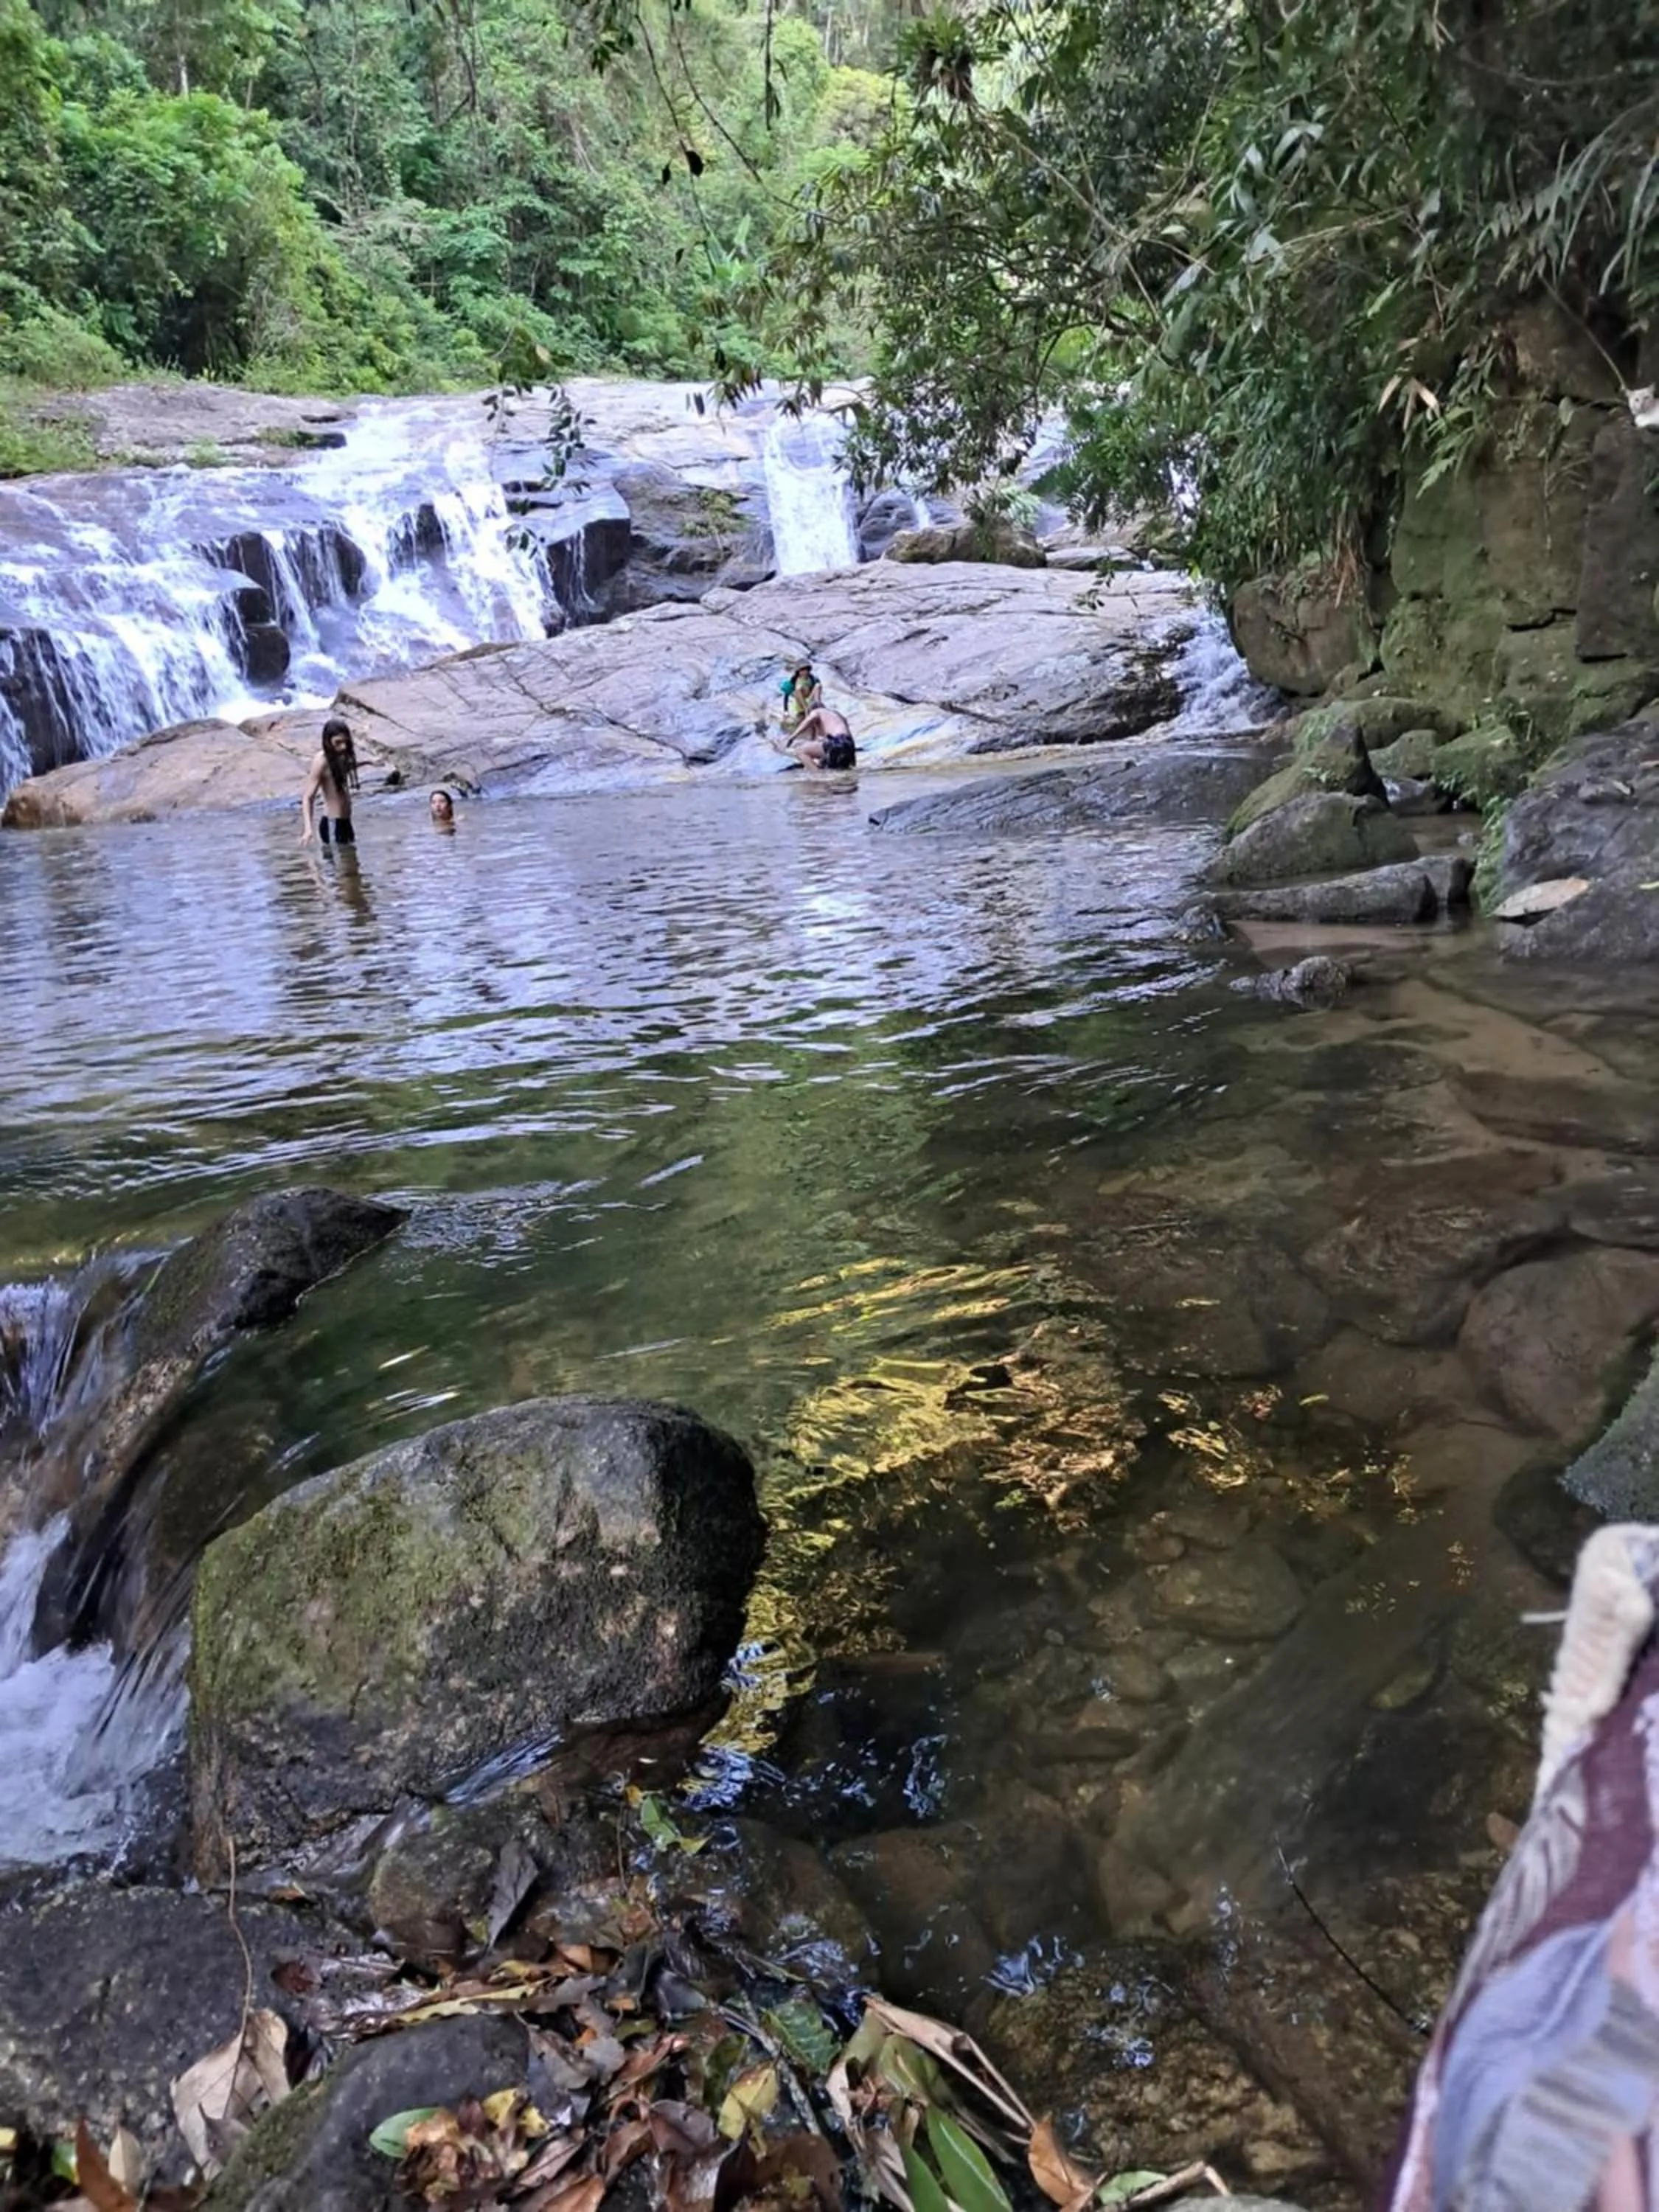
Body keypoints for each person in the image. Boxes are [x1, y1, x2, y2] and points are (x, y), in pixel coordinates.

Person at [301, 717, 360, 847]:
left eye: (345, 742)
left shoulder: (339, 756)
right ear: (328, 741)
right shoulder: (321, 761)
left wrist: (369, 762)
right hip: (332, 824)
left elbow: (344, 768)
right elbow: (308, 798)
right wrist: (308, 829)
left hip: (346, 822)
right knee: (339, 866)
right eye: (338, 742)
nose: (343, 746)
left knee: (352, 866)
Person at [774, 703, 857, 772]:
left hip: (837, 742)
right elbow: (850, 741)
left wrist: (793, 737)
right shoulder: (836, 716)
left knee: (800, 751)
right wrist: (853, 760)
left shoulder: (817, 711)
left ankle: (817, 776)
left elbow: (811, 719)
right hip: (848, 746)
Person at [779, 661, 822, 731]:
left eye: (807, 670)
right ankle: (806, 710)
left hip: (809, 699)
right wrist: (786, 711)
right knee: (799, 688)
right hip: (800, 703)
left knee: (818, 686)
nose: (805, 672)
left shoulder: (812, 678)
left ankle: (818, 705)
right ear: (799, 671)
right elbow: (786, 695)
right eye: (803, 670)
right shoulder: (794, 681)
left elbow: (817, 687)